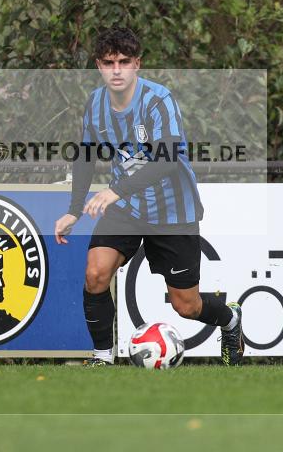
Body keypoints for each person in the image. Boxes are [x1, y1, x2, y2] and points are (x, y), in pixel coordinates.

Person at [54, 27, 243, 366]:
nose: (117, 70)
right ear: (98, 65)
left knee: (187, 305)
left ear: (137, 64)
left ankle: (230, 320)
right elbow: (85, 155)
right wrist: (73, 210)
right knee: (96, 274)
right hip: (126, 208)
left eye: (124, 62)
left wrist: (114, 190)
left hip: (173, 210)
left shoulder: (158, 100)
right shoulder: (95, 104)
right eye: (109, 63)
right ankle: (102, 358)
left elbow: (167, 161)